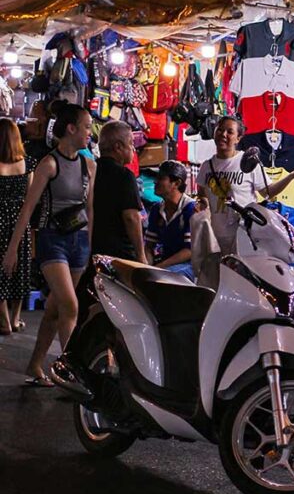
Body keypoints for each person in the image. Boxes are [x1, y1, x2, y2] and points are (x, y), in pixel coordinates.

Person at [2, 101, 94, 386]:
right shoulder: (48, 164)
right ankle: (72, 374)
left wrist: (91, 245)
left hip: (79, 241)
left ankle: (35, 365)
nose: (90, 133)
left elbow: (90, 209)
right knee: (70, 305)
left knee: (55, 309)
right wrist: (13, 249)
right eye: (87, 127)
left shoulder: (90, 164)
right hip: (52, 240)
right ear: (71, 128)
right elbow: (28, 208)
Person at [196, 116, 294, 255]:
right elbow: (202, 194)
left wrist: (292, 175)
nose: (223, 134)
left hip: (244, 235)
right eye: (220, 130)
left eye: (230, 132)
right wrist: (202, 204)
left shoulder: (248, 162)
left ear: (238, 138)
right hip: (215, 236)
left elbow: (268, 192)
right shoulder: (206, 166)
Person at [91, 121, 144, 261]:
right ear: (118, 147)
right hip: (119, 254)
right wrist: (141, 255)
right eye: (131, 143)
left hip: (91, 250)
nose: (133, 149)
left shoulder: (90, 170)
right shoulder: (125, 176)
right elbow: (131, 217)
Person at [0, 118, 31, 335]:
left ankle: (3, 321)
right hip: (21, 221)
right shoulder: (28, 164)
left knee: (0, 269)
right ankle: (16, 317)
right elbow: (31, 198)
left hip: (0, 220)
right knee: (20, 269)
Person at [145, 160, 196, 280]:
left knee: (161, 278)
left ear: (176, 183)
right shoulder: (157, 209)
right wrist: (146, 265)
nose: (155, 182)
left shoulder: (191, 209)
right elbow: (149, 246)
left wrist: (159, 267)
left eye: (161, 178)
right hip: (166, 264)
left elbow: (189, 251)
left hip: (189, 265)